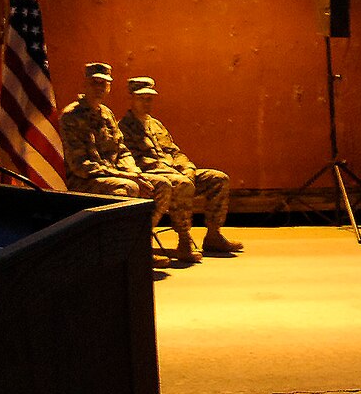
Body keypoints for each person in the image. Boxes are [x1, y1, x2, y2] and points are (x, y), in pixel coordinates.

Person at [120, 76, 242, 258]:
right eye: (141, 98)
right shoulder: (123, 127)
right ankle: (184, 240)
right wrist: (171, 170)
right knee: (182, 183)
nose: (147, 103)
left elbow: (175, 151)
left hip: (177, 173)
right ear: (131, 98)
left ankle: (213, 235)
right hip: (154, 178)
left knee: (218, 179)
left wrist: (188, 168)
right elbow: (133, 160)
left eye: (149, 98)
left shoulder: (156, 125)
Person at [61, 63, 173, 219]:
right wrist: (127, 177)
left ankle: (141, 234)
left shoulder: (107, 114)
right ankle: (117, 238)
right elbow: (81, 166)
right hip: (84, 180)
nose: (99, 87)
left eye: (104, 83)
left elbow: (122, 150)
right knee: (128, 188)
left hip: (117, 175)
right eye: (95, 82)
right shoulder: (71, 116)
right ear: (85, 84)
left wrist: (136, 173)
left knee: (162, 185)